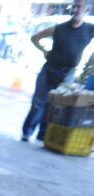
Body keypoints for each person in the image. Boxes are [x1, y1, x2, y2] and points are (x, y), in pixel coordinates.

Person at [21, 0, 94, 142]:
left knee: (56, 105)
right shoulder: (59, 28)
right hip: (49, 70)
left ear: (86, 10)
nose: (75, 10)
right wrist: (44, 51)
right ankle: (27, 132)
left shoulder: (89, 29)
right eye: (74, 7)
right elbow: (35, 37)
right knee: (38, 103)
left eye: (79, 7)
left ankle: (44, 134)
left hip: (68, 74)